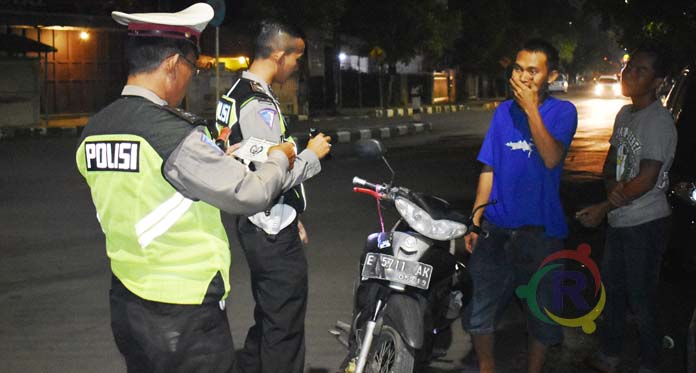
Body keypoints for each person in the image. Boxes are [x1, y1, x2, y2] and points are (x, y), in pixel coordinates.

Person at [75, 4, 299, 372]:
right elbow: (250, 193)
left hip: (128, 300)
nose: (189, 80)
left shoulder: (97, 127)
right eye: (191, 70)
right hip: (184, 310)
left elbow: (145, 187)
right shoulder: (170, 133)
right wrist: (281, 156)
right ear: (172, 64)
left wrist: (212, 158)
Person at [214, 21, 331, 373]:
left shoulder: (234, 92)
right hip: (268, 230)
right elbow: (271, 177)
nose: (298, 65)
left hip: (257, 222)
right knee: (284, 328)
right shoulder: (259, 105)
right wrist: (313, 154)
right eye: (296, 58)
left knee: (270, 315)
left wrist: (292, 217)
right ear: (279, 56)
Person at [461, 39, 578, 373]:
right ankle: (486, 368)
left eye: (533, 71)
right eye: (518, 68)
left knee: (541, 313)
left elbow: (552, 156)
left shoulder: (563, 112)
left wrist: (530, 109)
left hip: (540, 234)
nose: (523, 77)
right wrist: (475, 220)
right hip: (495, 230)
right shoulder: (502, 112)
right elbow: (489, 168)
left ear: (550, 75)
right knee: (479, 309)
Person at [577, 45, 676, 373]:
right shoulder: (624, 114)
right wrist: (610, 192)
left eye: (641, 70)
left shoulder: (658, 121)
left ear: (658, 81)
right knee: (613, 292)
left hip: (645, 223)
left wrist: (604, 206)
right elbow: (612, 163)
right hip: (621, 220)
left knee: (641, 297)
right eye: (630, 67)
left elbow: (646, 179)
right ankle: (610, 354)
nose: (629, 74)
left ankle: (650, 362)